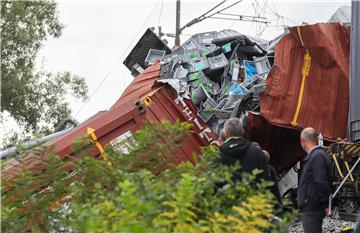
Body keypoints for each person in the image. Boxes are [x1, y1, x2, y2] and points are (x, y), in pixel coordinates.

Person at [297, 127, 332, 233]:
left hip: (312, 207)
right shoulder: (318, 155)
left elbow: (321, 181)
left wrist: (326, 204)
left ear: (302, 141)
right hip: (312, 206)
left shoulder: (317, 156)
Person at [215, 118, 269, 182]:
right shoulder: (257, 152)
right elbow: (266, 182)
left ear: (225, 133)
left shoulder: (218, 155)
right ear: (242, 132)